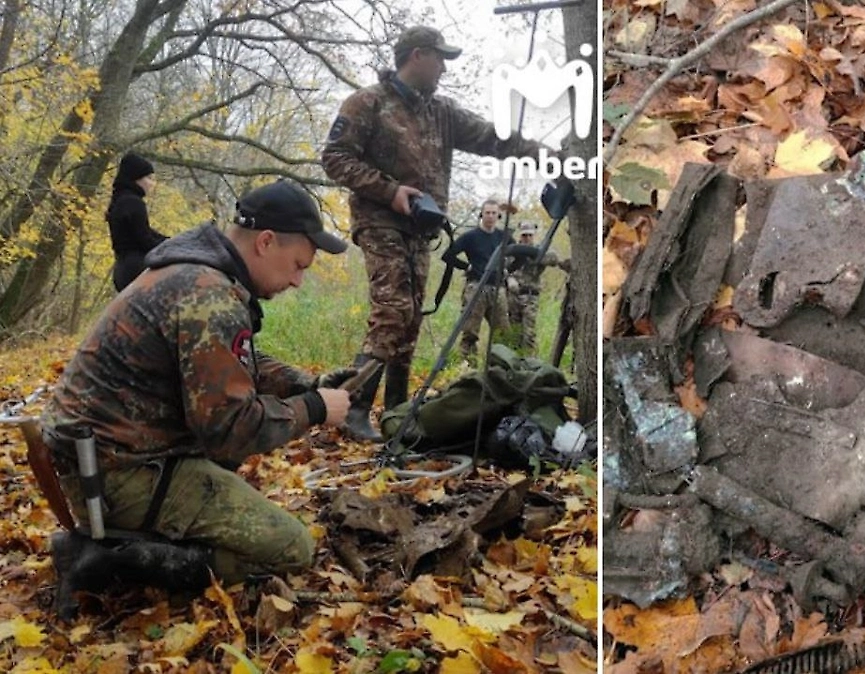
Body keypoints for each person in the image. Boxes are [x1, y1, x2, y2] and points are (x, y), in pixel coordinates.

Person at [42, 179, 352, 619]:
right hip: (117, 475)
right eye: (298, 265)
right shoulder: (209, 293)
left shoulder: (196, 272)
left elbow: (229, 359)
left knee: (231, 481)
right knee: (291, 548)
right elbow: (230, 429)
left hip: (98, 459)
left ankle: (128, 542)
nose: (298, 281)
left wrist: (306, 383)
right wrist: (316, 408)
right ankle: (109, 562)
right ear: (265, 242)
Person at [321, 25, 542, 442]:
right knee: (393, 312)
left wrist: (547, 156)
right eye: (440, 58)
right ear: (417, 55)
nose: (444, 67)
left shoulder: (442, 111)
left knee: (410, 322)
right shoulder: (368, 102)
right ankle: (353, 409)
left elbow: (490, 137)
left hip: (421, 231)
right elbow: (334, 157)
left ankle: (397, 412)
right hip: (380, 222)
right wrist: (389, 191)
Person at [443, 198, 513, 363]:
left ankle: (499, 366)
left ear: (498, 216)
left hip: (497, 288)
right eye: (487, 213)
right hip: (476, 287)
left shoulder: (503, 236)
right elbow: (448, 255)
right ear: (482, 214)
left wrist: (509, 270)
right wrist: (467, 267)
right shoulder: (470, 237)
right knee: (470, 331)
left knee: (503, 332)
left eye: (494, 213)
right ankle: (467, 365)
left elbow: (519, 253)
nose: (490, 216)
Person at [107, 152, 170, 291]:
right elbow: (145, 239)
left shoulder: (118, 200)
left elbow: (146, 232)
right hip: (137, 269)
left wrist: (168, 240)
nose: (152, 184)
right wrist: (170, 248)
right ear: (136, 178)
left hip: (121, 269)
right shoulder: (134, 202)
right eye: (148, 178)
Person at [506, 221, 570, 354]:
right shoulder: (512, 251)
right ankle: (514, 360)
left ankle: (530, 361)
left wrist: (536, 255)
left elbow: (553, 259)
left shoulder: (539, 250)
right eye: (524, 235)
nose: (527, 238)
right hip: (513, 295)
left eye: (530, 235)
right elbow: (502, 269)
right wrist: (509, 279)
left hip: (530, 296)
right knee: (514, 332)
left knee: (529, 333)